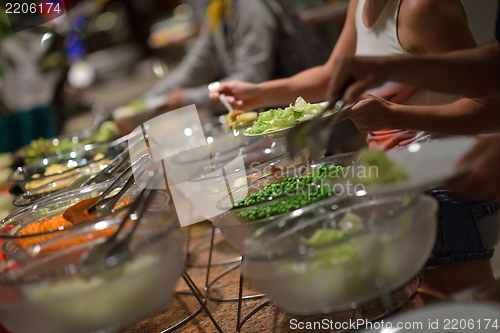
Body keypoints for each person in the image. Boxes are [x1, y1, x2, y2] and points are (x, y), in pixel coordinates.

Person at [210, 0, 500, 295]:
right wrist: (257, 94)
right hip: (393, 184)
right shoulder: (360, 3)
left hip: (441, 189)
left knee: (467, 316)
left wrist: (395, 115)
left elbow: (489, 107)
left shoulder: (424, 8)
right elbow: (331, 76)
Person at [143, 0, 330, 113]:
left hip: (299, 115)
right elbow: (196, 66)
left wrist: (187, 98)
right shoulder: (220, 7)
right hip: (268, 117)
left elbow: (252, 78)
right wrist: (145, 103)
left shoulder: (251, 7)